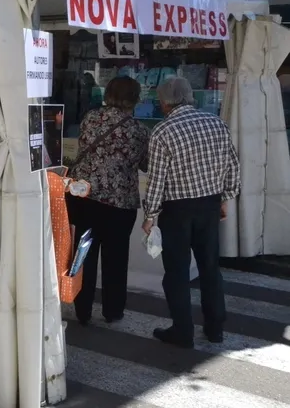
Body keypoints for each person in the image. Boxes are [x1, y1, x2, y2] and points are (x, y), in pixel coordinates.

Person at [143, 76, 240, 348]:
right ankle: (215, 328)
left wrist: (150, 216)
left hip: (177, 210)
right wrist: (225, 197)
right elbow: (232, 166)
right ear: (189, 97)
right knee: (210, 268)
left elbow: (157, 180)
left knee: (177, 271)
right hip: (209, 205)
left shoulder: (162, 131)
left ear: (164, 103)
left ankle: (182, 330)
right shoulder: (216, 123)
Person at [66, 77, 149, 325]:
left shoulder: (91, 118)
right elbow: (145, 164)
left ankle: (82, 309)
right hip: (119, 203)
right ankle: (113, 311)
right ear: (135, 98)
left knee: (84, 254)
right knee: (116, 258)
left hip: (86, 197)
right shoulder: (138, 130)